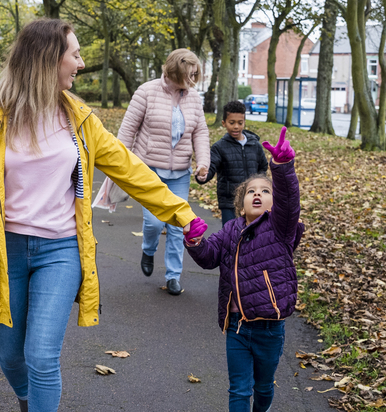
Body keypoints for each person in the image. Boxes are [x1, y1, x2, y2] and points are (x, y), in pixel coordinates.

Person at [0, 19, 208, 412]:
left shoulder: (79, 117)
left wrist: (181, 213)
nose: (81, 62)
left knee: (42, 356)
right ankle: (28, 401)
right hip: (2, 251)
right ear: (46, 60)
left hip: (60, 250)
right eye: (74, 54)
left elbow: (130, 169)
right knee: (11, 358)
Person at [185, 127, 303, 412]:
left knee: (263, 387)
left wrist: (282, 169)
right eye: (251, 191)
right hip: (237, 327)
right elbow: (209, 257)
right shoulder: (230, 230)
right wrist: (194, 241)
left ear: (274, 203)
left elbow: (290, 201)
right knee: (238, 389)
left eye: (265, 191)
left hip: (270, 328)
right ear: (241, 204)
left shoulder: (280, 229)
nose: (258, 194)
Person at [116, 49, 211, 295]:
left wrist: (203, 161)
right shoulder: (146, 92)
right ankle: (148, 249)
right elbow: (127, 131)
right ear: (173, 72)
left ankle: (173, 276)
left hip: (180, 172)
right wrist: (119, 164)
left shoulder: (193, 97)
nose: (192, 81)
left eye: (194, 75)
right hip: (149, 171)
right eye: (188, 76)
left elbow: (200, 131)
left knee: (180, 226)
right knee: (154, 223)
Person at [196, 101, 269, 225]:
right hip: (229, 202)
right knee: (231, 236)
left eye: (240, 123)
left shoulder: (254, 145)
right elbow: (211, 167)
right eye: (232, 123)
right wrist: (202, 175)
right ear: (224, 123)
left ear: (244, 122)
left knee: (253, 237)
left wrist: (260, 187)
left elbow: (263, 167)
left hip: (252, 201)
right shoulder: (219, 147)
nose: (236, 126)